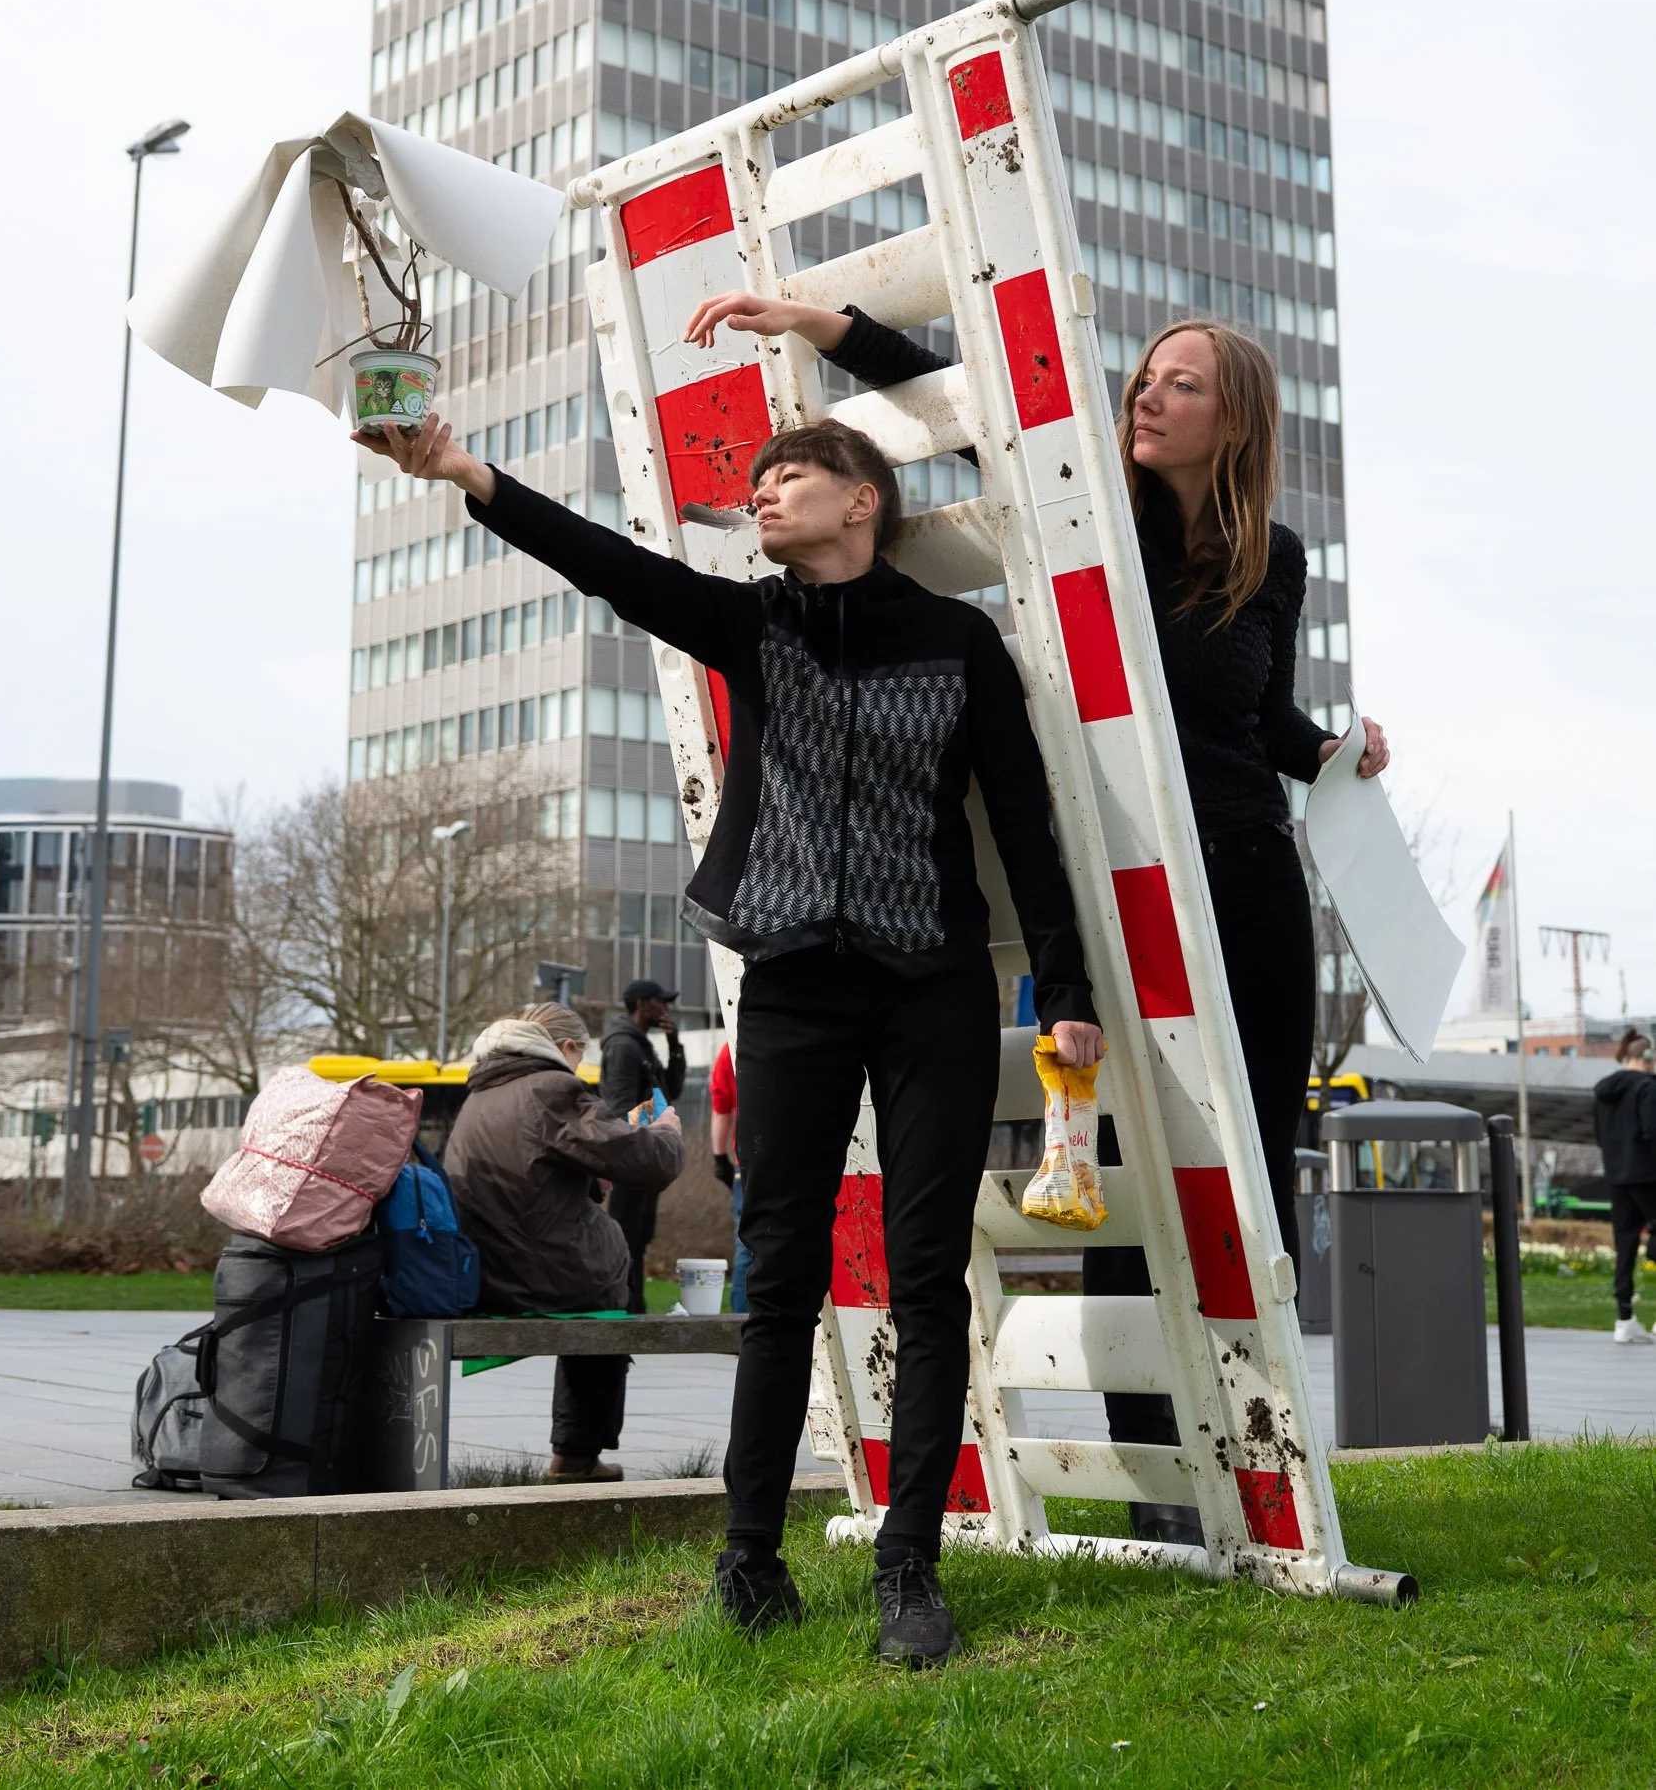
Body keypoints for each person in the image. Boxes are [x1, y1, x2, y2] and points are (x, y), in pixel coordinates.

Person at [356, 403, 1100, 1670]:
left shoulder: (958, 641)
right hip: (795, 985)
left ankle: (908, 1568)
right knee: (780, 1275)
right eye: (756, 481)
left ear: (861, 499)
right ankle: (748, 1559)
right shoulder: (754, 624)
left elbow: (1024, 824)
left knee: (926, 1273)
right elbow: (607, 563)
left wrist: (1064, 988)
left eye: (787, 474)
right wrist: (465, 472)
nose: (761, 492)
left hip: (932, 988)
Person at [684, 293, 1389, 1546]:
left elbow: (1258, 718)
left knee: (1251, 1160)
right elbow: (952, 395)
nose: (1145, 393)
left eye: (1179, 382)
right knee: (1130, 1162)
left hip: (1248, 873)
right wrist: (813, 320)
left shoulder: (1269, 557)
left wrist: (1334, 750)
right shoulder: (1089, 505)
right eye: (1145, 376)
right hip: (1130, 887)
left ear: (1234, 419)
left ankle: (1264, 1463)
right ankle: (1157, 1472)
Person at [441, 1001, 684, 1479]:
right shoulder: (551, 1088)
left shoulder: (483, 1092)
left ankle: (576, 1455)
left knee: (596, 1275)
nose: (579, 1068)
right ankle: (577, 1457)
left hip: (482, 1270)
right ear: (566, 1046)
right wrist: (665, 1133)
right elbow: (651, 1163)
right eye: (580, 1056)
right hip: (536, 1273)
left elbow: (534, 1177)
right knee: (606, 1293)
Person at [597, 980, 688, 1313]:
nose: (666, 1008)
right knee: (627, 1236)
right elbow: (618, 1106)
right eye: (660, 1001)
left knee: (639, 1236)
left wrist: (674, 1043)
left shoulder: (640, 1045)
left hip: (646, 1154)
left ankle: (635, 1307)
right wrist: (649, 1132)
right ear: (641, 1004)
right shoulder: (623, 1046)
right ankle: (626, 1307)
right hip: (631, 1156)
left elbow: (672, 1089)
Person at [1592, 1031, 1656, 1343]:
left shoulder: (1604, 1093)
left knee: (1625, 1243)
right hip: (1648, 1175)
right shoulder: (1648, 1088)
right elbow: (1652, 1131)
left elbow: (1599, 1136)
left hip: (1617, 1175)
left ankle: (1625, 1318)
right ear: (1647, 1059)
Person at [709, 1037, 752, 1313]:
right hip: (786, 1157)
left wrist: (719, 1157)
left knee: (746, 1242)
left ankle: (740, 1322)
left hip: (746, 1160)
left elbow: (720, 1109)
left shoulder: (731, 1048)